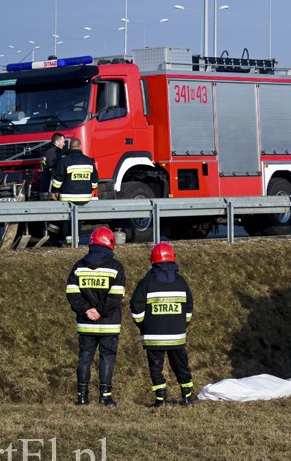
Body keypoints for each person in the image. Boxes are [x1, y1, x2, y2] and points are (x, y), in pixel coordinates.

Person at [130, 242, 198, 407]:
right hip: (177, 334)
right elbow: (189, 307)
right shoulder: (181, 282)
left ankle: (160, 400)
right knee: (181, 364)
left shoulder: (146, 282)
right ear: (172, 258)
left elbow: (136, 308)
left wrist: (143, 326)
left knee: (156, 367)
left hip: (154, 335)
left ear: (152, 260)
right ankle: (187, 395)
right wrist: (183, 324)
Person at [66, 226, 126, 406]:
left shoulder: (79, 266)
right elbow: (116, 295)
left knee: (85, 358)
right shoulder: (116, 267)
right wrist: (100, 311)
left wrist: (87, 309)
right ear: (110, 243)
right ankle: (105, 397)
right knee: (106, 358)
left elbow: (71, 292)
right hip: (109, 323)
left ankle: (82, 396)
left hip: (86, 323)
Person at [51, 138, 98, 245]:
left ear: (70, 147)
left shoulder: (64, 161)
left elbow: (58, 180)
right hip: (85, 197)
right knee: (78, 218)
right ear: (80, 146)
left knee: (67, 219)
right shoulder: (89, 161)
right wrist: (90, 190)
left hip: (68, 197)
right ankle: (75, 239)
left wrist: (54, 191)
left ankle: (69, 241)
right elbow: (95, 181)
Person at [39, 133, 66, 241]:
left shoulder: (48, 151)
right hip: (49, 190)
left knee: (51, 216)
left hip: (45, 188)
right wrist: (56, 190)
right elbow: (54, 172)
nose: (64, 144)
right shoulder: (53, 152)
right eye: (63, 141)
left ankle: (52, 237)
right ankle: (53, 238)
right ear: (56, 142)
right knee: (54, 216)